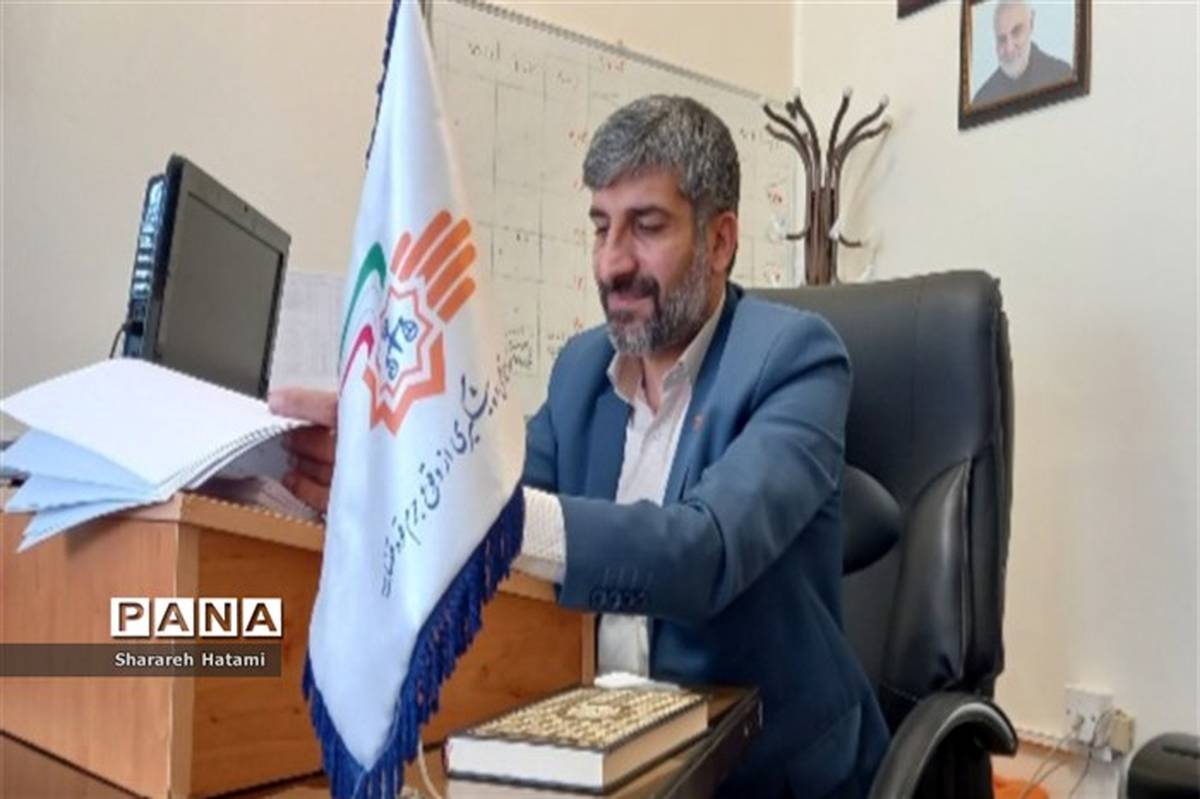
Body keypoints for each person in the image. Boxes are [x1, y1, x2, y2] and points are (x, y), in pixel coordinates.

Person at [271, 95, 888, 799]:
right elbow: (501, 496)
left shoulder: (797, 360)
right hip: (596, 750)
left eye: (646, 227)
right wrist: (387, 478)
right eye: (600, 227)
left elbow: (705, 550)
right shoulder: (581, 371)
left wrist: (479, 513)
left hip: (763, 770)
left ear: (720, 241)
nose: (613, 262)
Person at [973, 0, 1073, 106]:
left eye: (1016, 32)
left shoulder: (1062, 75)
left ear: (1031, 24)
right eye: (1002, 39)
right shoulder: (982, 99)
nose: (1009, 48)